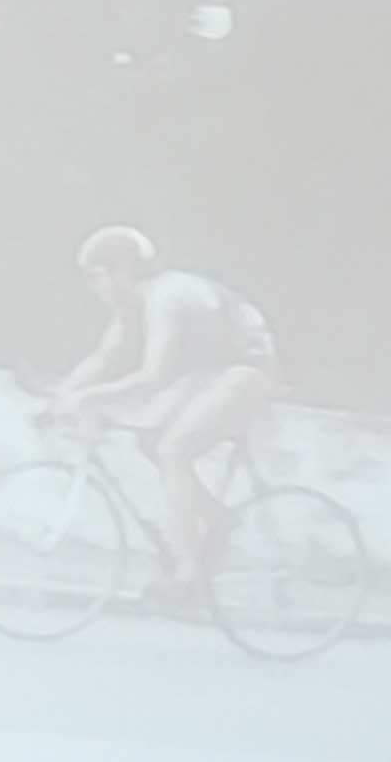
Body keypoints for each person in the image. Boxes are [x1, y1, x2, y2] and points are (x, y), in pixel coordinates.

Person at [54, 223, 277, 593]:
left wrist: (89, 397)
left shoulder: (166, 297)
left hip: (247, 370)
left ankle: (188, 572)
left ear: (124, 271)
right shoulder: (130, 306)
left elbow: (152, 377)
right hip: (210, 371)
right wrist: (64, 392)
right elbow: (104, 357)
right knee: (149, 441)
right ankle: (214, 519)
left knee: (174, 450)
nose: (93, 287)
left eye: (97, 276)